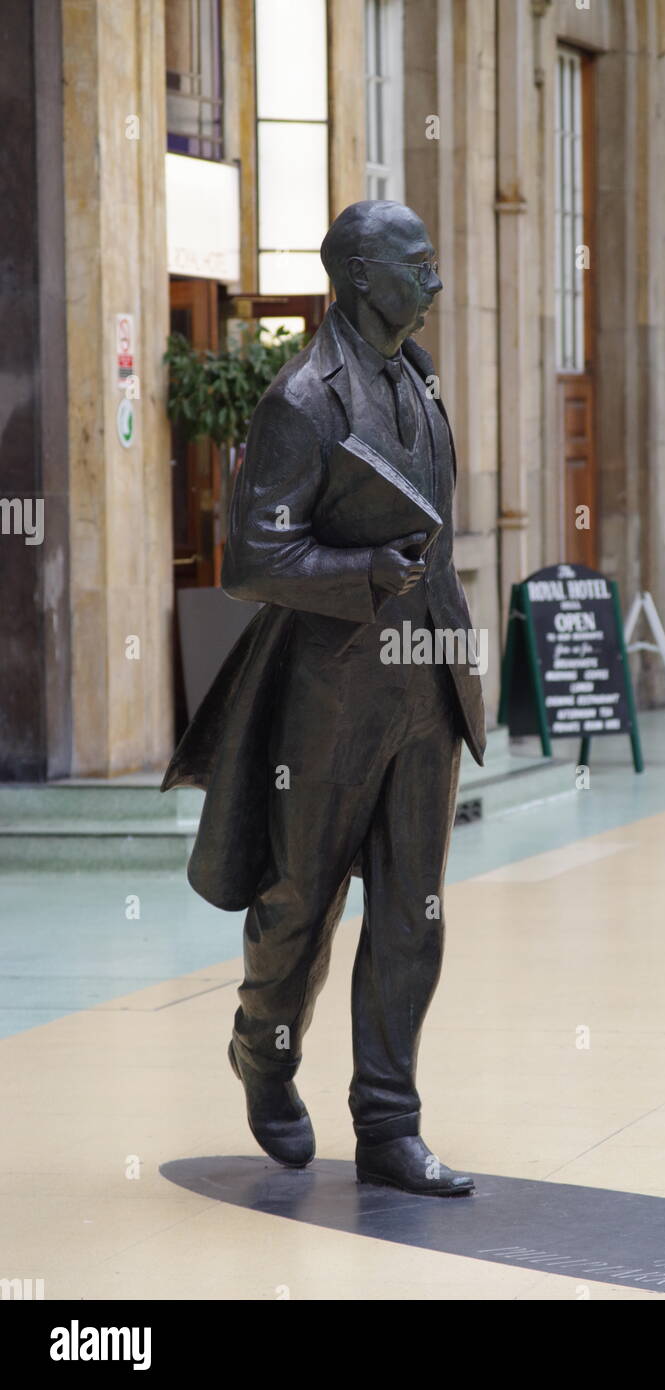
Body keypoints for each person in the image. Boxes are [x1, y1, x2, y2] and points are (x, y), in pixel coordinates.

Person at [164, 201, 486, 1196]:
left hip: (423, 677)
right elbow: (253, 558)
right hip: (332, 691)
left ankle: (388, 1123)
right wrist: (364, 565)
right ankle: (263, 1051)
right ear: (356, 278)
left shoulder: (417, 377)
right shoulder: (301, 398)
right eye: (415, 265)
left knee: (413, 911)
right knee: (301, 900)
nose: (432, 281)